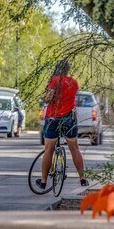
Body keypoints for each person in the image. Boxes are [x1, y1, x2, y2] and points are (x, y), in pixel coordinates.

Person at [36, 59, 88, 190]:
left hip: (53, 118)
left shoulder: (55, 80)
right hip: (69, 118)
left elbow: (48, 97)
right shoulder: (74, 82)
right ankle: (82, 179)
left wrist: (46, 97)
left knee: (49, 149)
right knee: (74, 148)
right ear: (67, 70)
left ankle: (43, 181)